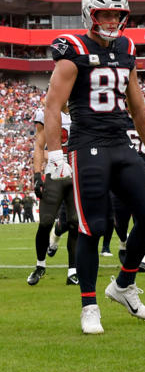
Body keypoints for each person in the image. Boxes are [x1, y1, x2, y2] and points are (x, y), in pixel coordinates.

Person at [45, 0, 145, 334]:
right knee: (92, 227)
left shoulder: (126, 47)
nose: (112, 20)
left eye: (117, 14)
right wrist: (54, 152)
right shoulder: (74, 48)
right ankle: (89, 305)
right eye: (105, 13)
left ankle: (123, 284)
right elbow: (53, 105)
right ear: (89, 14)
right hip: (87, 144)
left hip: (120, 141)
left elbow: (137, 103)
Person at [27, 104, 78, 286]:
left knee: (74, 222)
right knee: (46, 221)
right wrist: (36, 175)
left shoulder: (80, 109)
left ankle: (73, 270)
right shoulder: (46, 112)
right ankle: (40, 265)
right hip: (54, 171)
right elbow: (39, 145)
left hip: (76, 171)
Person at [114, 110, 145, 272]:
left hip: (141, 172)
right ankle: (123, 242)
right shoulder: (114, 117)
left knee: (143, 217)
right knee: (119, 220)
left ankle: (144, 256)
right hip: (119, 173)